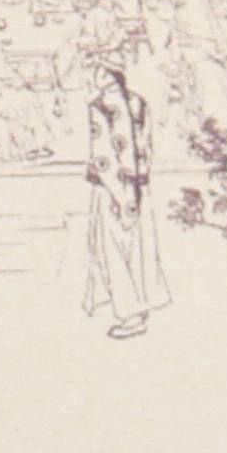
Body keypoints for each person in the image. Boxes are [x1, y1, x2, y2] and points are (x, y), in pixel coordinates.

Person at [79, 35, 168, 338]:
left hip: (112, 189)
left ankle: (130, 315)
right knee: (141, 250)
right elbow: (146, 148)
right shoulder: (138, 102)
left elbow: (104, 155)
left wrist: (120, 196)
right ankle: (140, 306)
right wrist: (136, 188)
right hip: (139, 187)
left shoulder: (100, 106)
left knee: (113, 252)